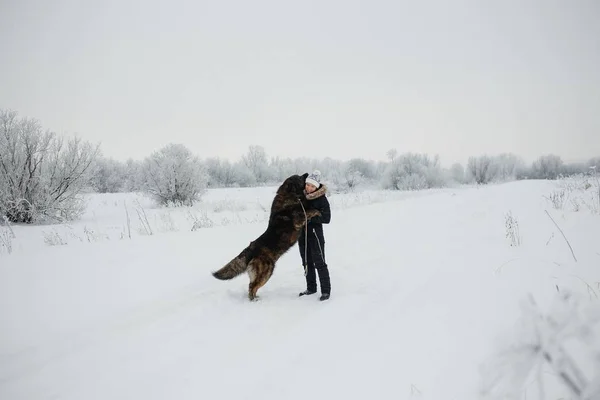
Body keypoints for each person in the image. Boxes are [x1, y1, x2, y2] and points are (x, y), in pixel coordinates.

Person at [298, 170, 332, 301]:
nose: (309, 188)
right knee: (306, 262)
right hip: (302, 235)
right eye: (307, 185)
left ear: (317, 187)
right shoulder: (301, 197)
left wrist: (311, 218)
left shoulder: (321, 199)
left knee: (320, 262)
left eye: (312, 186)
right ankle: (311, 288)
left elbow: (327, 218)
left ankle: (326, 291)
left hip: (315, 235)